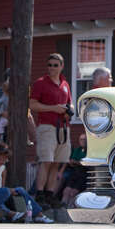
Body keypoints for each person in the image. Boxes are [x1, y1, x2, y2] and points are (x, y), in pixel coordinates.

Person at [29, 53, 72, 208]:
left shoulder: (65, 84)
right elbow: (32, 104)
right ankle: (39, 194)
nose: (52, 68)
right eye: (49, 65)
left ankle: (50, 195)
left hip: (63, 127)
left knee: (57, 162)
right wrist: (53, 108)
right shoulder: (40, 83)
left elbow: (69, 104)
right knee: (46, 161)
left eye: (55, 65)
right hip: (47, 126)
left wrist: (69, 110)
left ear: (61, 66)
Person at [0, 143, 53, 223]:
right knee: (4, 193)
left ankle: (39, 214)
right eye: (1, 159)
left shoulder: (3, 169)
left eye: (5, 159)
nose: (3, 162)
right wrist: (5, 191)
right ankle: (14, 215)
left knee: (19, 190)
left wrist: (9, 191)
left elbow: (1, 187)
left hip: (0, 193)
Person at [62, 132, 88, 207]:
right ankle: (62, 207)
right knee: (66, 191)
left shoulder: (89, 151)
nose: (82, 141)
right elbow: (71, 161)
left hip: (84, 174)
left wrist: (76, 162)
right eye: (81, 139)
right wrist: (75, 162)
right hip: (75, 172)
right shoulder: (77, 150)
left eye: (84, 139)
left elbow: (86, 163)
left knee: (73, 193)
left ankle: (70, 208)